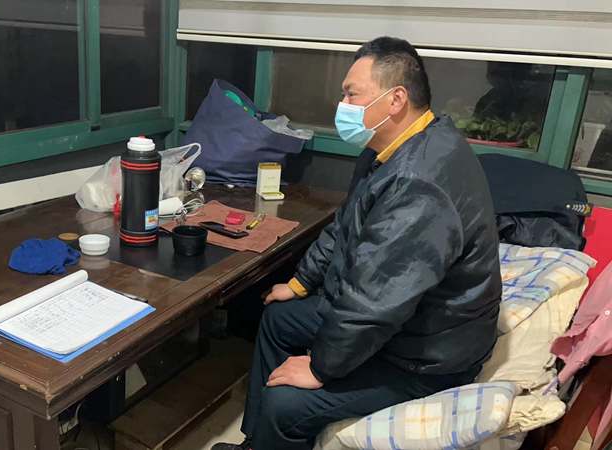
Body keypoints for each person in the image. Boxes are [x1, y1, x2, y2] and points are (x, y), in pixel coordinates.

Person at [213, 36, 502, 450]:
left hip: (425, 354)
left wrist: (320, 369)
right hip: (403, 323)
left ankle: (275, 427)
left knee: (285, 402)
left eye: (352, 94)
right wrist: (299, 283)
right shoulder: (387, 149)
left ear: (396, 99)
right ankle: (257, 443)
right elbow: (344, 225)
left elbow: (376, 302)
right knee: (279, 317)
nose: (342, 105)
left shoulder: (419, 183)